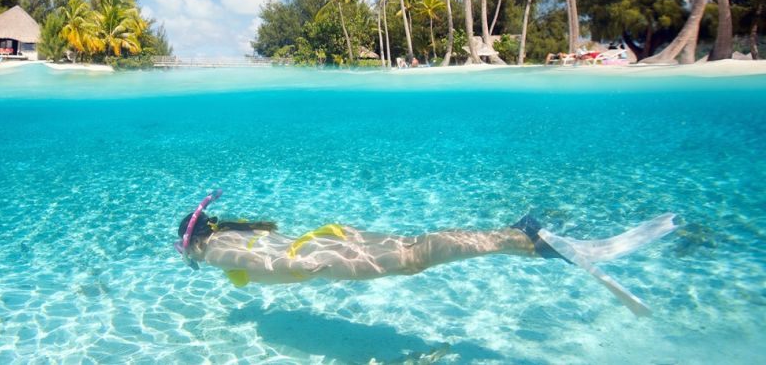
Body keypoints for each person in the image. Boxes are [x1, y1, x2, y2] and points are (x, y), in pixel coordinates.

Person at [176, 190, 677, 315]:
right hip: (330, 235)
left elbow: (264, 265)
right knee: (414, 248)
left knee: (415, 258)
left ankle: (519, 238)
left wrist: (304, 269)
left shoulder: (216, 252)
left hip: (322, 255)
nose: (189, 258)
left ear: (195, 242)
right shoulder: (235, 232)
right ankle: (520, 238)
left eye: (185, 251)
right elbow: (265, 251)